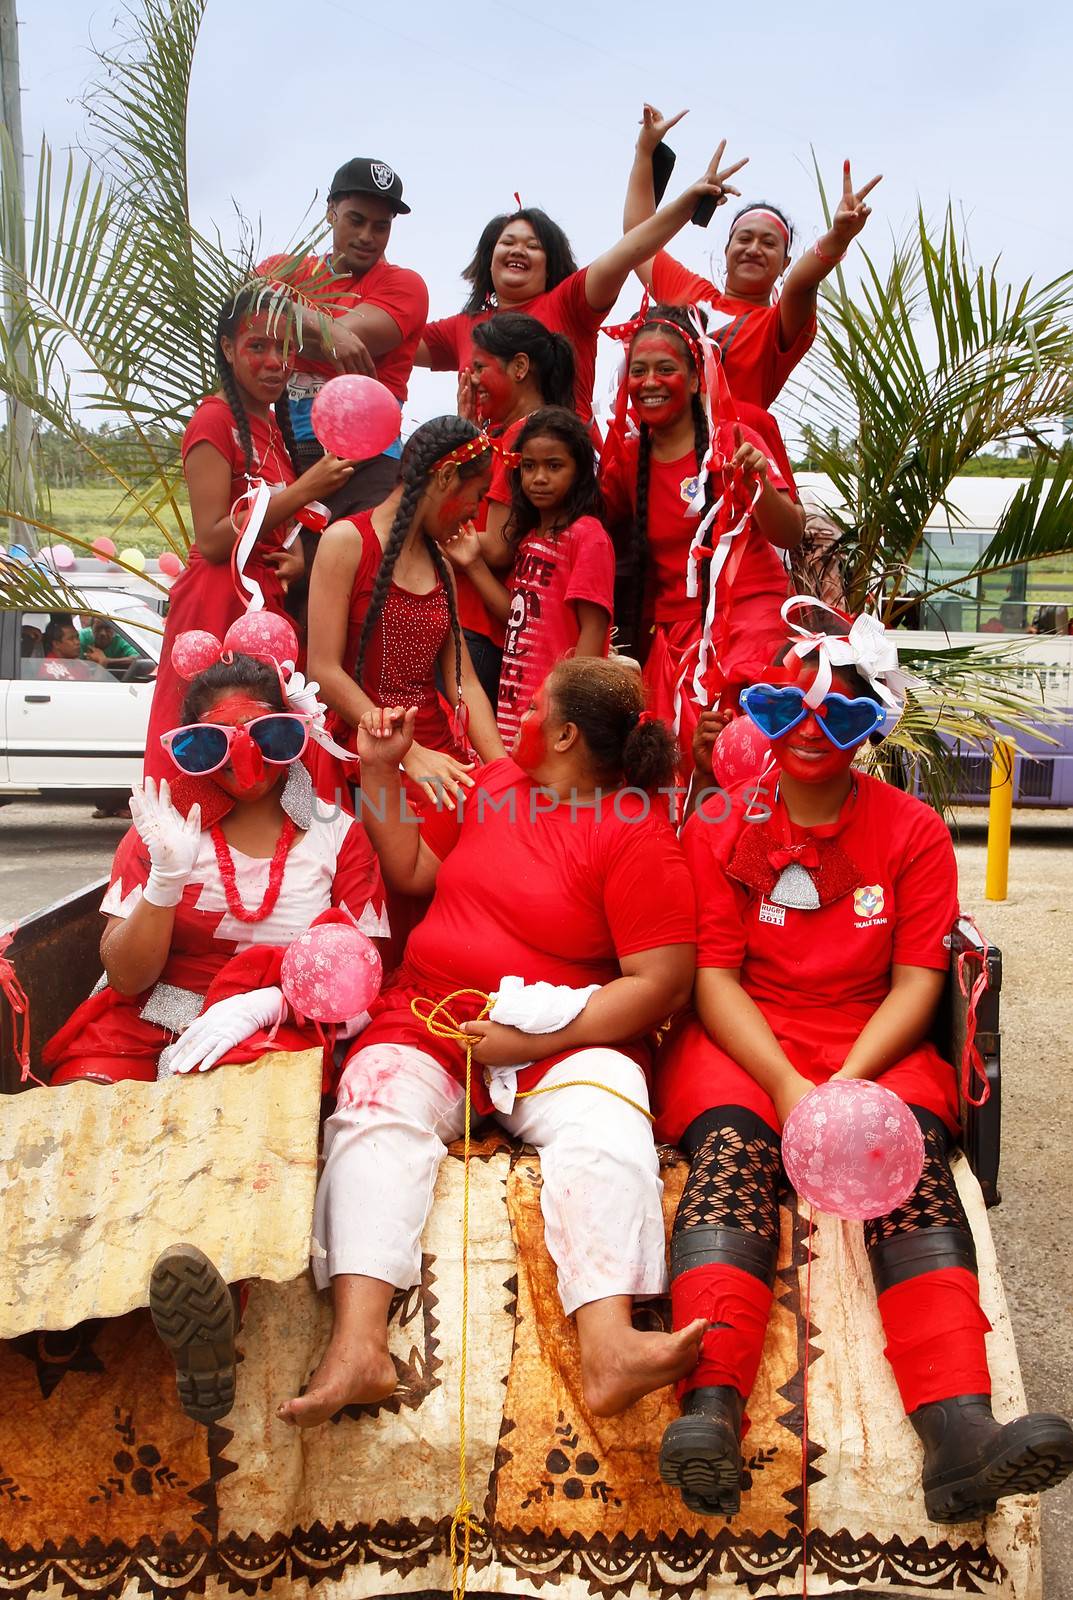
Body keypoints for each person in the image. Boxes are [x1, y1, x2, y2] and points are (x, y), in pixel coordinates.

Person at [652, 608, 1073, 1523]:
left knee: (911, 1171)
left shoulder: (912, 830)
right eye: (789, 709)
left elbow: (919, 978)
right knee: (732, 1159)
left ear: (872, 723)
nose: (810, 732)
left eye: (839, 713)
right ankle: (711, 1409)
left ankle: (959, 1434)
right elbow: (715, 981)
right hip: (745, 1043)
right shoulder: (718, 824)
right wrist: (788, 1089)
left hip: (871, 1042)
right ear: (761, 713)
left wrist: (847, 1082)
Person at [277, 657, 703, 1428]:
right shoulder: (497, 786)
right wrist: (378, 770)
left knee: (610, 1120)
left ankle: (611, 1348)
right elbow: (409, 866)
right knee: (371, 1104)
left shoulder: (634, 828)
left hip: (567, 1039)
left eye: (535, 705)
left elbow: (660, 984)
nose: (521, 715)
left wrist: (532, 1036)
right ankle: (359, 1347)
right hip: (432, 1014)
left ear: (565, 734)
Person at [42, 649, 387, 1424]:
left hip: (281, 1028)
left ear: (295, 732)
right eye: (212, 742)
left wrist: (265, 1002)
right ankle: (66, 1309)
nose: (244, 760)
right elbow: (125, 979)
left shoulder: (337, 838)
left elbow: (363, 986)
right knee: (85, 1114)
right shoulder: (164, 829)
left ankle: (208, 1317)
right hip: (152, 1011)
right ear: (190, 746)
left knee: (234, 1127)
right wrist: (164, 882)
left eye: (267, 736)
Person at [144, 287, 354, 780]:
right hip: (216, 603)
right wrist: (305, 490)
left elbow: (271, 522)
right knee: (203, 744)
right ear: (227, 349)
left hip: (261, 603)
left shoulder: (273, 427)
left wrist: (297, 556)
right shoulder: (213, 421)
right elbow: (215, 539)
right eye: (257, 346)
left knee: (261, 749)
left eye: (284, 348)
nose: (275, 361)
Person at [600, 305, 803, 776]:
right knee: (669, 781)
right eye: (639, 370)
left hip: (749, 636)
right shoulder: (629, 459)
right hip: (671, 648)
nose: (650, 381)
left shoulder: (734, 438)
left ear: (695, 379)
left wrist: (758, 484)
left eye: (666, 368)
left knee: (741, 771)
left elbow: (790, 533)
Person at [415, 143, 747, 424]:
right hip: (481, 478)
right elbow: (394, 339)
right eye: (508, 242)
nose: (518, 250)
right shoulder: (461, 327)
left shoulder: (570, 302)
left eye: (533, 246)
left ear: (550, 265)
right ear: (489, 258)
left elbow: (629, 250)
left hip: (562, 478)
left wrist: (687, 202)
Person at [623, 106, 880, 426]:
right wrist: (645, 151)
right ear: (727, 250)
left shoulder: (777, 325)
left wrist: (837, 238)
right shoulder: (691, 293)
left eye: (769, 243)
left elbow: (801, 284)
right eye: (744, 239)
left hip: (733, 463)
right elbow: (636, 240)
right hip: (659, 460)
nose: (754, 249)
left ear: (785, 263)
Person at [307, 416, 507, 813]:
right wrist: (408, 753)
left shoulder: (443, 566)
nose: (473, 514)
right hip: (364, 749)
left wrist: (503, 771)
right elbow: (323, 670)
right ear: (447, 476)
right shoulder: (346, 541)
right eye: (478, 496)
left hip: (436, 752)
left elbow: (464, 681)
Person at [259, 158, 429, 518]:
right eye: (357, 220)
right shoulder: (283, 268)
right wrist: (329, 329)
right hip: (285, 456)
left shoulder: (405, 285)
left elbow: (345, 338)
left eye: (381, 227)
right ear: (331, 212)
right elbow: (248, 312)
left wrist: (291, 319)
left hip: (368, 465)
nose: (368, 236)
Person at [446, 406, 615, 748]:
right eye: (529, 466)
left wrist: (571, 707)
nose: (539, 477)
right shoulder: (529, 539)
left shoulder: (588, 537)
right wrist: (473, 564)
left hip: (558, 713)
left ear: (580, 471)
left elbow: (594, 631)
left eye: (554, 466)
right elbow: (515, 614)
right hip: (516, 707)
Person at [445, 314, 577, 702]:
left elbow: (501, 544)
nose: (470, 379)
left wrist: (428, 537)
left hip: (479, 628)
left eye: (480, 367)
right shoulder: (506, 433)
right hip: (478, 626)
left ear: (520, 367)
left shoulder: (525, 436)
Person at [33, 615, 111, 681]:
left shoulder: (79, 664)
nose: (77, 642)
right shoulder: (52, 669)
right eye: (71, 639)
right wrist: (102, 663)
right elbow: (87, 694)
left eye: (77, 637)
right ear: (56, 644)